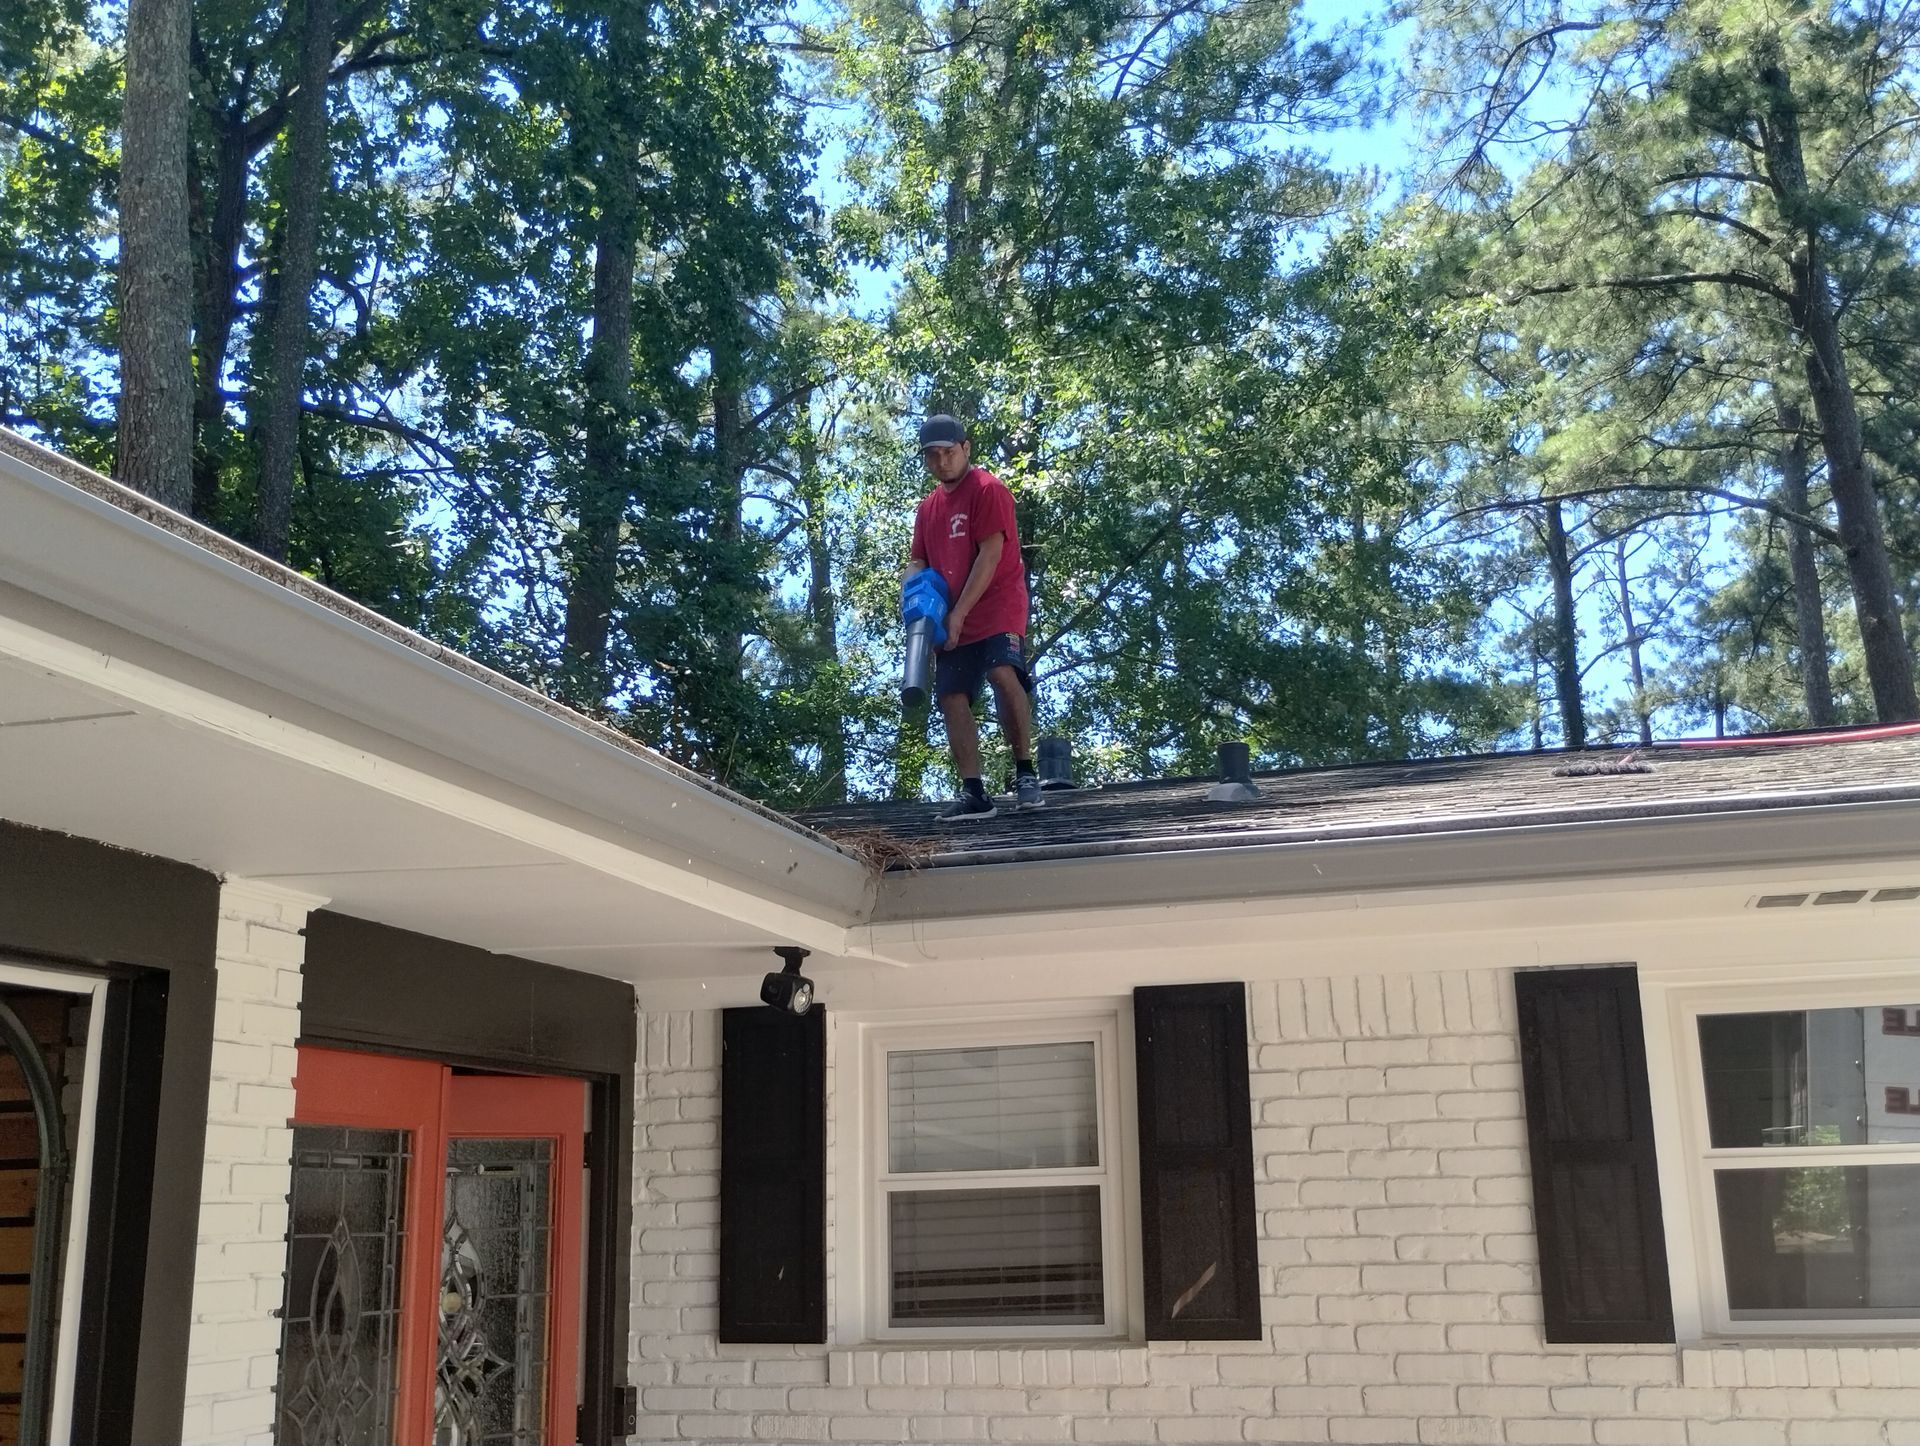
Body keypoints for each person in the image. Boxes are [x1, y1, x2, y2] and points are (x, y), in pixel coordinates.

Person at [905, 414, 1043, 820]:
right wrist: (914, 597)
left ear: (965, 448)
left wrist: (961, 613)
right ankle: (974, 792)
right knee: (951, 696)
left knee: (1002, 673)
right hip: (949, 614)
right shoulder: (928, 508)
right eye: (933, 455)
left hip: (996, 604)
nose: (942, 462)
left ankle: (1025, 774)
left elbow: (990, 554)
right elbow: (917, 560)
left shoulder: (988, 489)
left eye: (949, 452)